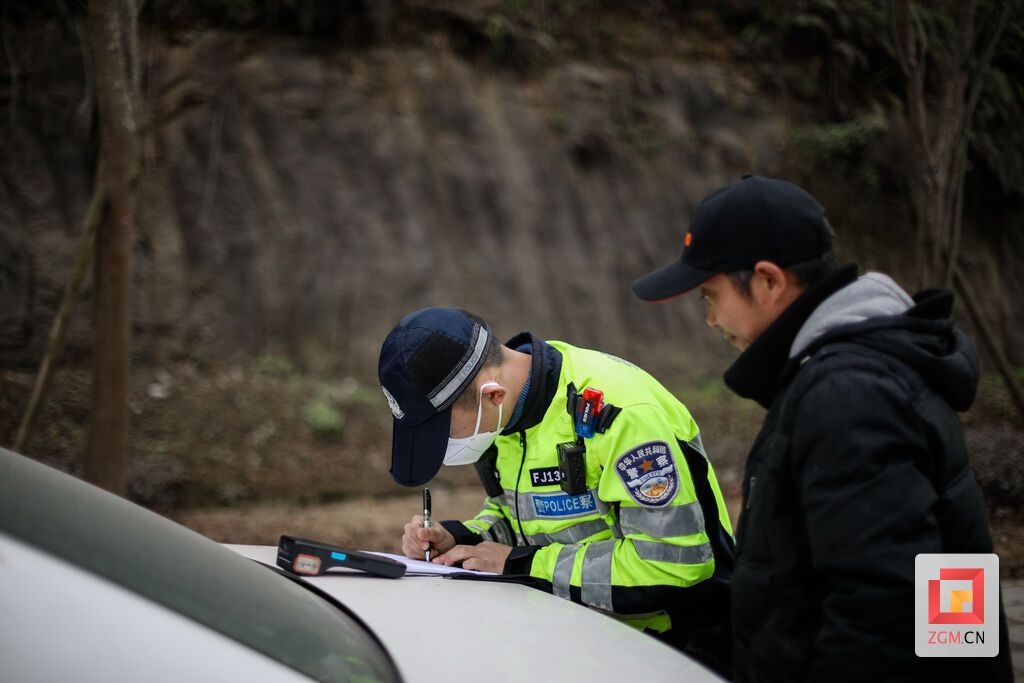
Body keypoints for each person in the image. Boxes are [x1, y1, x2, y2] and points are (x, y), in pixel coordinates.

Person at [631, 175, 1013, 682]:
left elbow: (882, 618)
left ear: (768, 281)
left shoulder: (849, 394)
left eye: (710, 295)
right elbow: (940, 579)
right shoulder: (871, 368)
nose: (711, 319)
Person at [378, 306, 735, 674]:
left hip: (671, 647)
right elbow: (518, 516)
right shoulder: (503, 416)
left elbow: (671, 563)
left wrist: (522, 564)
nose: (445, 446)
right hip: (573, 635)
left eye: (446, 432)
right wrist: (461, 539)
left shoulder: (621, 413)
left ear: (493, 395)